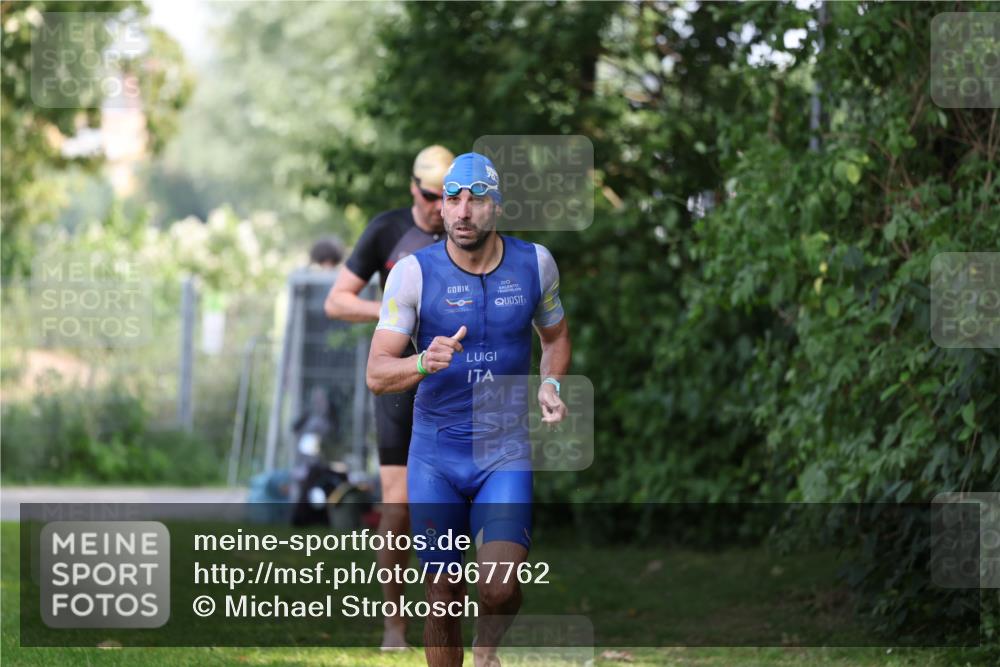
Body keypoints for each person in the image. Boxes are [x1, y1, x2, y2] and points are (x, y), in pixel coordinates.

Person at [366, 152, 571, 667]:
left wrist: (550, 383)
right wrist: (421, 362)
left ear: (495, 205)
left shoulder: (535, 264)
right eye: (452, 199)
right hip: (436, 454)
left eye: (474, 199)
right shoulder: (412, 274)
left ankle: (487, 649)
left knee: (499, 589)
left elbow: (557, 336)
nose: (460, 211)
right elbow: (376, 373)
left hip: (504, 451)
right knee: (443, 598)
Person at [324, 144, 455, 650]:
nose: (436, 207)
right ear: (412, 189)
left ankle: (447, 620)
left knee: (451, 509)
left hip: (456, 387)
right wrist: (392, 311)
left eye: (445, 197)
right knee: (397, 509)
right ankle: (394, 625)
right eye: (428, 196)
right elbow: (337, 300)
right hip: (402, 384)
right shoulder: (388, 230)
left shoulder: (469, 236)